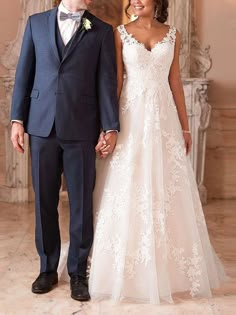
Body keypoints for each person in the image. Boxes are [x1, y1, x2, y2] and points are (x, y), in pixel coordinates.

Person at [89, 0, 226, 304]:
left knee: (168, 187)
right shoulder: (119, 33)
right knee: (129, 185)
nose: (136, 1)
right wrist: (107, 124)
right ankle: (125, 269)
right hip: (131, 116)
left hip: (163, 118)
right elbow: (116, 80)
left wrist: (185, 127)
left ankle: (169, 270)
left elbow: (174, 81)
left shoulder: (173, 35)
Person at [10, 0, 119, 302]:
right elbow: (24, 74)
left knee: (81, 203)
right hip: (41, 125)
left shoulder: (101, 31)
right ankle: (47, 269)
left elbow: (106, 81)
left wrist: (110, 126)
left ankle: (78, 273)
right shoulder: (36, 24)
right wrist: (17, 120)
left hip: (82, 129)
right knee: (44, 200)